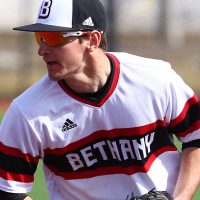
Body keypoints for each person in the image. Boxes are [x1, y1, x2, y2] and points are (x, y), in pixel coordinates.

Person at [0, 0, 200, 199]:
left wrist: (181, 198)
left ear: (92, 40)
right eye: (39, 37)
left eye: (53, 38)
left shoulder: (155, 79)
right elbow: (8, 191)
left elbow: (196, 136)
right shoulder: (28, 111)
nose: (42, 50)